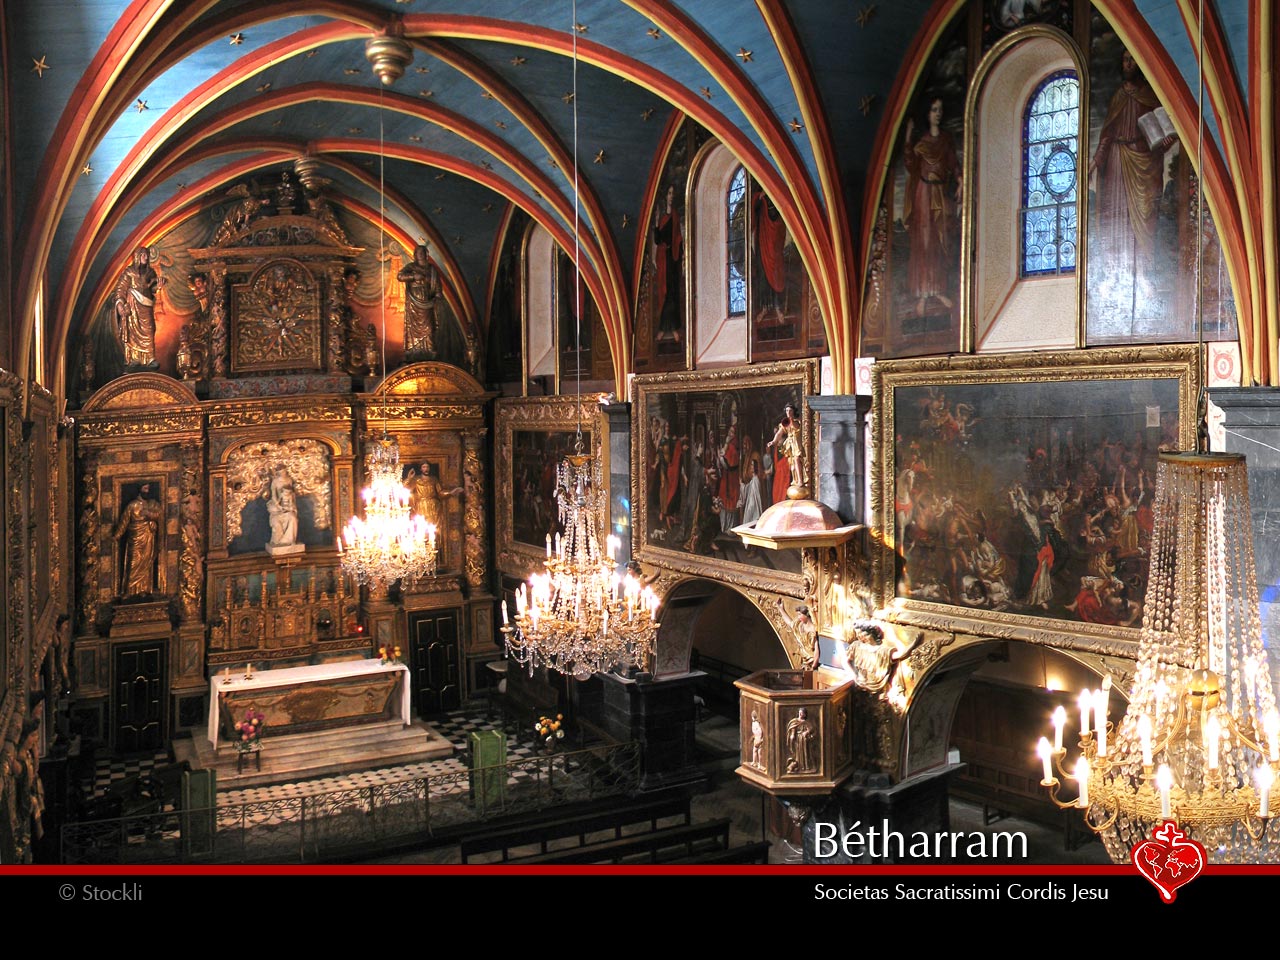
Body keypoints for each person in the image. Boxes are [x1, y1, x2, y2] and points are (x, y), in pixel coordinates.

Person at [1089, 49, 1176, 303]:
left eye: (1133, 59)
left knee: (1144, 213)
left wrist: (1165, 141)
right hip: (1117, 161)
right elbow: (1106, 136)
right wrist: (1094, 163)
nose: (1128, 64)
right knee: (1117, 217)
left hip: (1143, 161)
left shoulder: (1150, 96)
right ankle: (1115, 272)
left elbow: (1165, 131)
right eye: (1125, 59)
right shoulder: (1118, 96)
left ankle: (1143, 272)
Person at [902, 97, 962, 317]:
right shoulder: (922, 143)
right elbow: (910, 163)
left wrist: (961, 181)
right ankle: (922, 295)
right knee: (924, 243)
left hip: (940, 194)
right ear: (927, 114)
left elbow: (953, 163)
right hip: (923, 195)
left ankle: (939, 291)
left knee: (940, 240)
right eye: (934, 109)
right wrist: (908, 134)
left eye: (940, 110)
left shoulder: (945, 140)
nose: (938, 113)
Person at [114, 246, 161, 367]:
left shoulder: (151, 272)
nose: (145, 257)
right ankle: (134, 359)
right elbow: (121, 289)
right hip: (133, 306)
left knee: (149, 329)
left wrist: (158, 286)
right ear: (137, 257)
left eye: (147, 255)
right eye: (143, 255)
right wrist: (120, 304)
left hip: (146, 306)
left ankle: (150, 358)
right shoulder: (129, 272)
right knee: (133, 332)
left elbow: (153, 288)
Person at [113, 483, 163, 597]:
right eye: (145, 488)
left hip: (148, 537)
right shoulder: (132, 505)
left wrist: (150, 515)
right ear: (139, 489)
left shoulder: (152, 505)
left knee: (146, 563)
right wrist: (117, 535)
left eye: (148, 489)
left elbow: (158, 515)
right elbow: (124, 522)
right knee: (133, 562)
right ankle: (129, 591)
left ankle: (143, 590)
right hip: (135, 537)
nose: (147, 491)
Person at [651, 183, 683, 344]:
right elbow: (657, 240)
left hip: (673, 258)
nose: (671, 196)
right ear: (666, 196)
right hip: (663, 259)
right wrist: (657, 222)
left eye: (673, 194)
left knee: (672, 293)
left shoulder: (675, 216)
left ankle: (673, 328)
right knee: (665, 293)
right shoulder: (663, 217)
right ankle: (664, 328)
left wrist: (681, 257)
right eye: (669, 193)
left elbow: (678, 237)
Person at [398, 243, 441, 358]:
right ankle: (413, 351)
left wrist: (437, 296)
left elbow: (437, 286)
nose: (421, 255)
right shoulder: (411, 267)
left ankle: (430, 351)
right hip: (414, 303)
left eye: (423, 252)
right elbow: (400, 276)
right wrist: (413, 277)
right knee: (413, 328)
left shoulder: (432, 270)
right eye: (418, 253)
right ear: (415, 255)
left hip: (428, 302)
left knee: (429, 327)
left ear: (427, 254)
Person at [266, 473, 299, 548]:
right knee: (276, 522)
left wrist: (290, 508)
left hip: (288, 510)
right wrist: (279, 507)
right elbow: (275, 498)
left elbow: (292, 504)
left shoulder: (290, 493)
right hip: (277, 510)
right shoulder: (275, 483)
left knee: (293, 518)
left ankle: (289, 541)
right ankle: (278, 542)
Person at [785, 707, 817, 774]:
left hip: (804, 740)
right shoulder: (795, 721)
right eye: (800, 712)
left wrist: (807, 732)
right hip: (798, 739)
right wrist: (792, 735)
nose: (800, 714)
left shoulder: (806, 722)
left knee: (806, 752)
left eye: (802, 713)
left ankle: (806, 766)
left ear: (805, 715)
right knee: (798, 753)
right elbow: (793, 728)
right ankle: (799, 766)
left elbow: (811, 728)